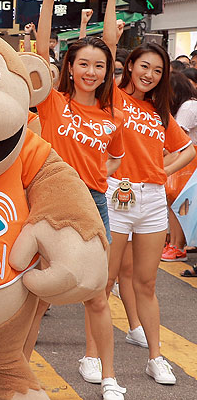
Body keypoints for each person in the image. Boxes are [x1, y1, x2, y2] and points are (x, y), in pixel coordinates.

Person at [31, 0, 127, 400]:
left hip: (94, 203)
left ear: (108, 73)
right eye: (83, 64)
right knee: (32, 292)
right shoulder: (53, 103)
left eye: (99, 66)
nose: (91, 71)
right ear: (69, 68)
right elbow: (39, 50)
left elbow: (112, 160)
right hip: (49, 201)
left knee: (97, 294)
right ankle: (16, 367)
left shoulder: (112, 117)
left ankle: (109, 377)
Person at [105, 32, 195, 386]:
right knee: (107, 279)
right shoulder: (111, 97)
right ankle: (96, 358)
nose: (150, 75)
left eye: (158, 70)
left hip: (153, 199)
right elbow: (108, 43)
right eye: (144, 66)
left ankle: (155, 357)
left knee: (146, 280)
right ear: (129, 66)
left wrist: (162, 171)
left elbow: (187, 149)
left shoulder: (158, 112)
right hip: (116, 193)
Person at [163, 72, 197, 262]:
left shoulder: (188, 106)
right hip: (186, 158)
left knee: (180, 203)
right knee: (176, 202)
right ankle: (174, 244)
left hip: (189, 159)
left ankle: (178, 246)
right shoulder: (186, 105)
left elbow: (177, 139)